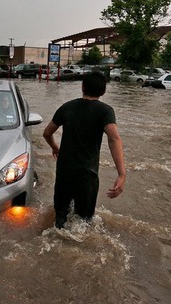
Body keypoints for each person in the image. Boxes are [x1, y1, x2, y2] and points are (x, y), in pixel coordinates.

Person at [42, 71, 126, 229]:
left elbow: (47, 133)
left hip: (64, 171)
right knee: (84, 222)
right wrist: (121, 174)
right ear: (103, 91)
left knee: (60, 217)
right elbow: (114, 138)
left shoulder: (67, 107)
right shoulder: (105, 111)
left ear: (82, 87)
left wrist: (55, 147)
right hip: (87, 174)